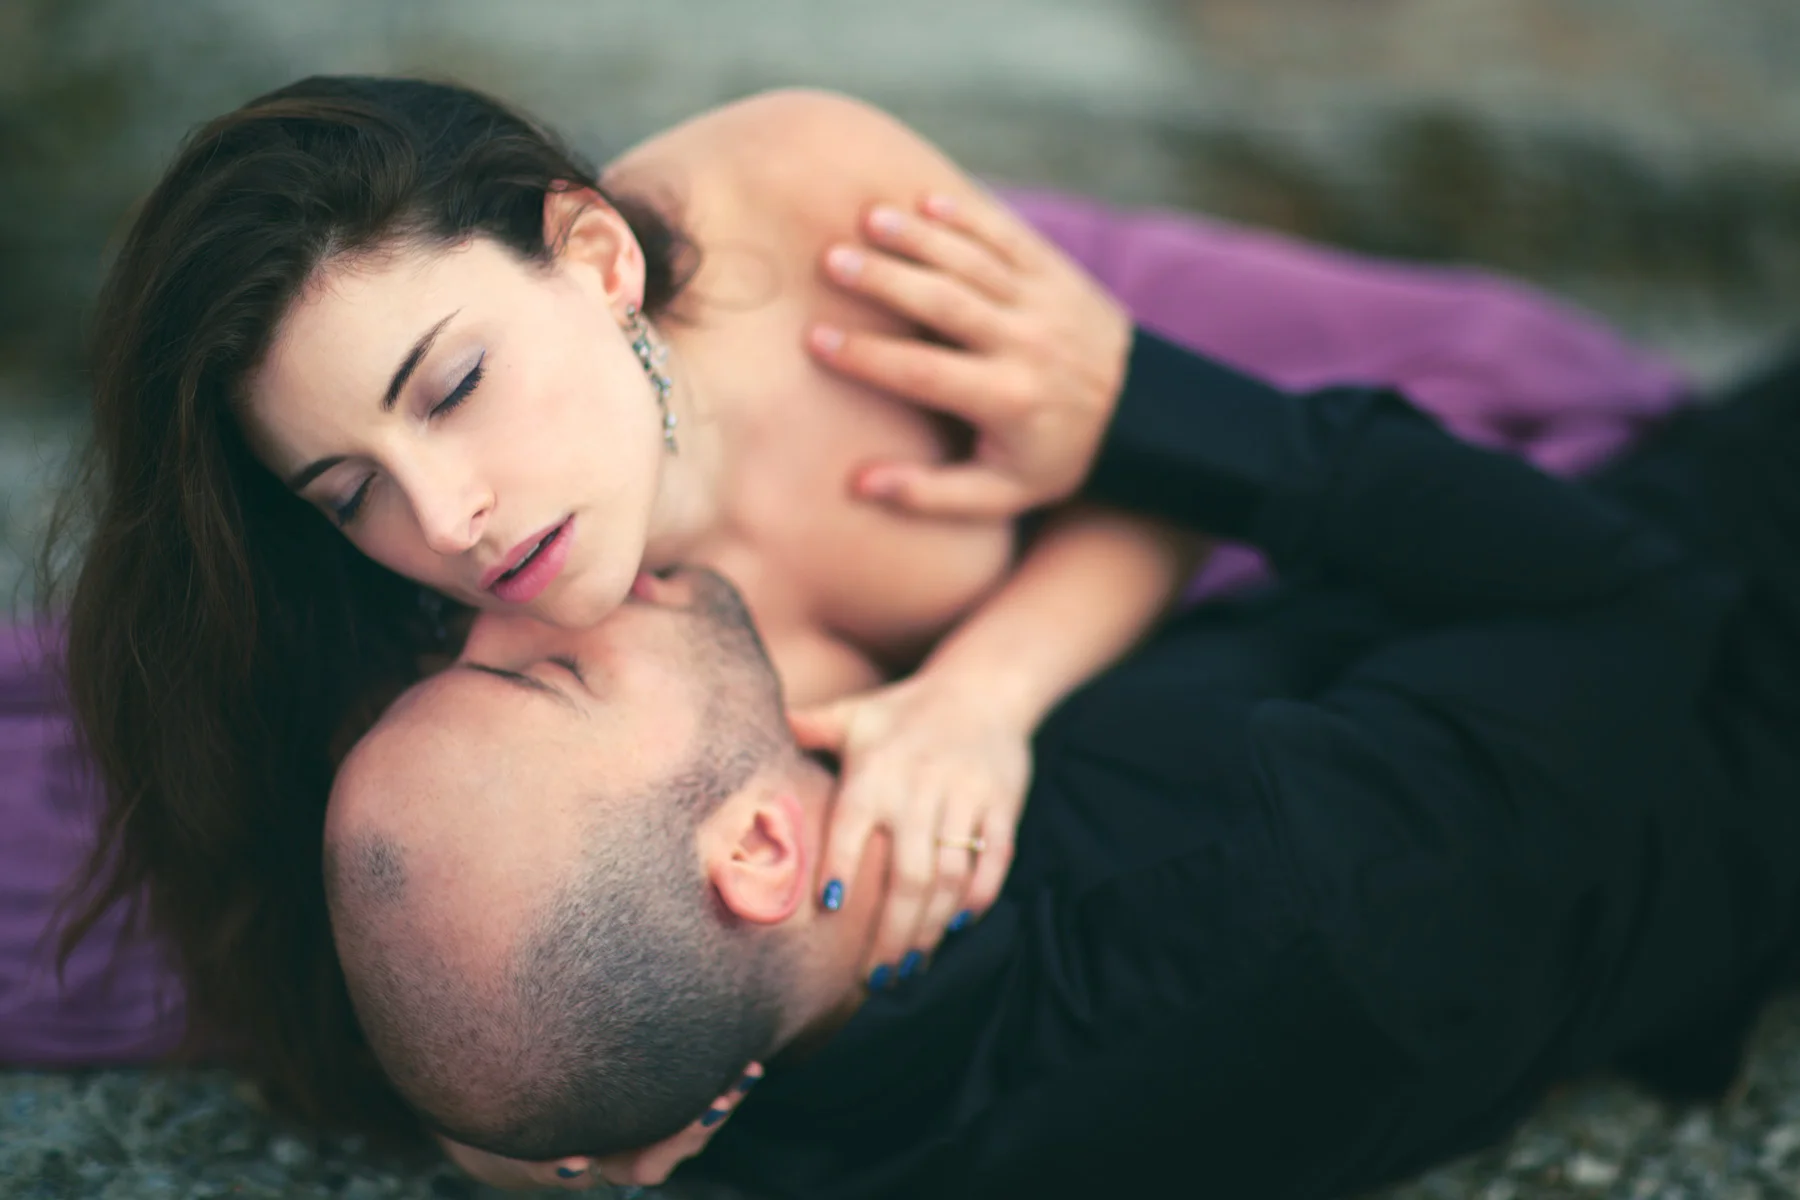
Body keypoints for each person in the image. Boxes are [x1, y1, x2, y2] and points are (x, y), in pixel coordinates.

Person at [16, 72, 1686, 1142]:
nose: (443, 521)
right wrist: (594, 1144)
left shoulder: (797, 190)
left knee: (1544, 401)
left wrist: (986, 696)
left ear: (594, 261)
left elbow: (1151, 466)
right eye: (347, 489)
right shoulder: (497, 648)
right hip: (1042, 475)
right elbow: (529, 1021)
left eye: (450, 385)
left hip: (1016, 332)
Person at [322, 225, 1800, 1196]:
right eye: (542, 675)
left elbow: (507, 1094)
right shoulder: (1292, 873)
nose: (505, 609)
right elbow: (1642, 611)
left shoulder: (701, 1090)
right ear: (759, 856)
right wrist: (1129, 396)